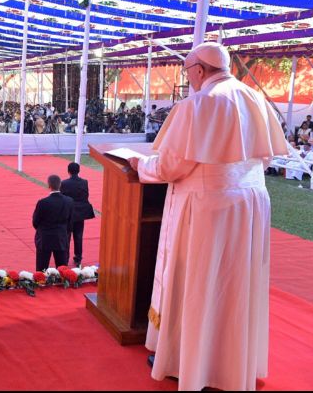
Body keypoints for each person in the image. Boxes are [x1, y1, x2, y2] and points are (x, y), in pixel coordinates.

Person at [127, 42, 287, 391]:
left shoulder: (200, 103)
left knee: (198, 283)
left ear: (198, 69)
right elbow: (265, 157)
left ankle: (191, 363)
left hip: (206, 208)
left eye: (187, 72)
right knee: (234, 284)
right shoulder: (255, 97)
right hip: (249, 205)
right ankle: (230, 365)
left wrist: (142, 165)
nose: (188, 80)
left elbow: (172, 166)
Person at [32, 175, 75, 271]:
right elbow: (71, 222)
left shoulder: (43, 202)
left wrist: (42, 230)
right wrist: (64, 232)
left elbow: (35, 221)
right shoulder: (69, 201)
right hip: (61, 237)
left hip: (45, 238)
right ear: (60, 185)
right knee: (62, 268)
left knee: (41, 269)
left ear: (49, 185)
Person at [59, 162, 95, 267]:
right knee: (78, 236)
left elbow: (62, 199)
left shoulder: (64, 183)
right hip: (80, 213)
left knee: (67, 236)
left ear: (68, 171)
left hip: (69, 213)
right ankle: (78, 258)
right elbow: (86, 195)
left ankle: (65, 258)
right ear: (79, 171)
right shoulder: (84, 182)